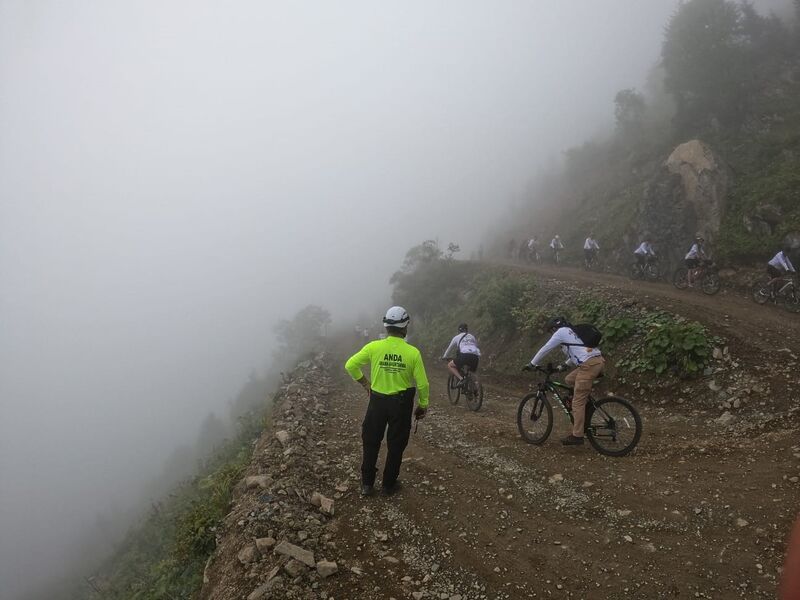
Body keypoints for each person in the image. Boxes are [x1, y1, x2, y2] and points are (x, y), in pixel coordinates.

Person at [345, 306, 430, 497]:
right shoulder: (413, 353)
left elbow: (350, 365)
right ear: (405, 327)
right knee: (396, 444)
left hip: (377, 401)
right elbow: (423, 384)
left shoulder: (373, 347)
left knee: (371, 441)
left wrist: (365, 383)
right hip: (401, 404)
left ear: (386, 326)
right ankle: (388, 486)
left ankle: (367, 485)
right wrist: (423, 405)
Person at [522, 316, 604, 446]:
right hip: (595, 361)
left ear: (555, 328)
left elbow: (546, 348)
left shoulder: (561, 332)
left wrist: (532, 363)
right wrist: (563, 366)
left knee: (577, 403)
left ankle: (577, 435)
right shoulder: (573, 332)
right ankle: (587, 405)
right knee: (569, 379)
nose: (551, 333)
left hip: (589, 365)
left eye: (551, 331)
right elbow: (578, 352)